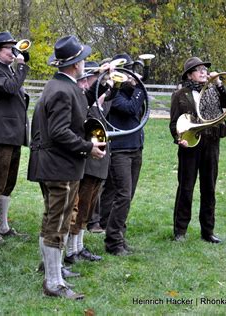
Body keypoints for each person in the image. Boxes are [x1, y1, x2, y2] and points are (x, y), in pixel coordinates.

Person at [28, 35, 109, 300]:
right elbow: (60, 132)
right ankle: (53, 282)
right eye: (83, 59)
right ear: (75, 64)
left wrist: (103, 79)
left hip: (54, 165)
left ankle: (52, 269)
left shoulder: (60, 85)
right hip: (59, 168)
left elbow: (79, 101)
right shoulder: (61, 90)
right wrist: (88, 147)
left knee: (51, 219)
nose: (85, 62)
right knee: (58, 222)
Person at [169, 57, 226, 243]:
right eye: (199, 70)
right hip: (190, 145)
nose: (204, 72)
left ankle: (208, 231)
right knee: (186, 188)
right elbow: (174, 123)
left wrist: (219, 83)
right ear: (190, 75)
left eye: (205, 69)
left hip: (211, 143)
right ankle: (180, 231)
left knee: (209, 188)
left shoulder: (213, 90)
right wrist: (179, 139)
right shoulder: (181, 95)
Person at [0, 31, 30, 245]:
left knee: (8, 182)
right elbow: (11, 90)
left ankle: (3, 225)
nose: (14, 51)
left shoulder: (8, 71)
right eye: (9, 48)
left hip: (13, 134)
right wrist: (21, 67)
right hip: (1, 135)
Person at [64, 62, 111, 265]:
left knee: (89, 207)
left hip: (99, 161)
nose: (85, 84)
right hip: (86, 161)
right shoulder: (83, 104)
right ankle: (71, 250)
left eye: (89, 80)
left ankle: (79, 246)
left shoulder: (102, 103)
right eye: (84, 80)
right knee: (79, 205)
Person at [102, 53, 146, 256]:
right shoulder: (116, 92)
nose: (130, 75)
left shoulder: (131, 90)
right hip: (120, 150)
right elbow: (130, 109)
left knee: (128, 196)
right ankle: (113, 242)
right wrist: (138, 87)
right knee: (123, 195)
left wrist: (137, 87)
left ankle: (119, 236)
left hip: (135, 147)